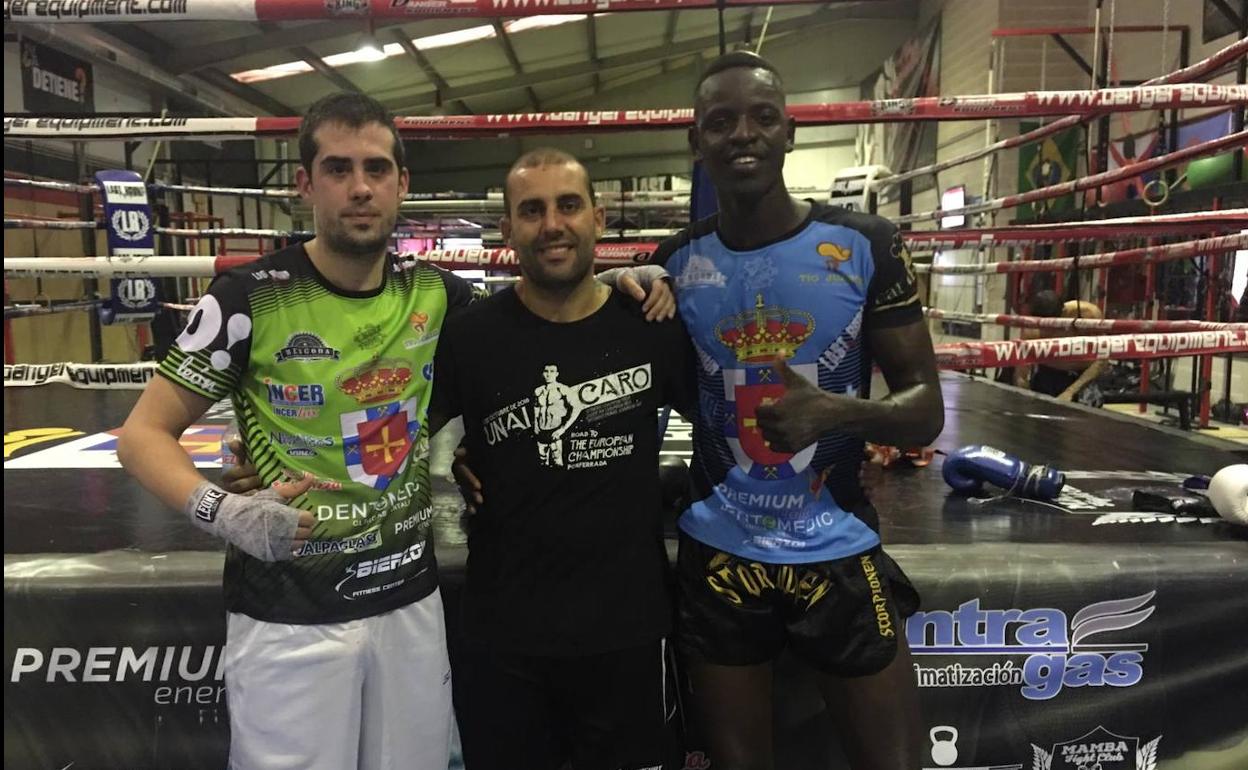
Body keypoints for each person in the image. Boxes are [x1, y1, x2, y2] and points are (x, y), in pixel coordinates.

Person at [118, 92, 472, 770]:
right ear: (304, 184)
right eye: (338, 169)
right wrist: (224, 510)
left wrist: (621, 294)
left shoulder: (438, 294)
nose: (360, 187)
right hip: (288, 610)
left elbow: (534, 330)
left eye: (376, 168)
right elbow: (143, 435)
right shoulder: (249, 297)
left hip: (408, 601)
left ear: (402, 183)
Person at [651, 51, 945, 770]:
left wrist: (837, 413)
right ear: (698, 143)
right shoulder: (677, 261)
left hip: (836, 545)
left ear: (790, 132)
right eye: (720, 122)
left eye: (761, 118)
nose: (741, 135)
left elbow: (926, 409)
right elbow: (662, 389)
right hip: (720, 554)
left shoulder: (864, 244)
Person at [431, 148, 695, 770]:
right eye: (532, 210)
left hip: (626, 629)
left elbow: (727, 418)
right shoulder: (471, 336)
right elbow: (393, 431)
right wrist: (284, 458)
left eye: (568, 205)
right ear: (507, 231)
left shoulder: (650, 323)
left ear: (599, 220)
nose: (552, 224)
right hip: (505, 634)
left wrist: (849, 428)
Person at [1013, 289, 1107, 406]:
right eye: (1042, 325)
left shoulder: (1088, 315)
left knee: (1084, 416)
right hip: (1047, 377)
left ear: (1062, 312)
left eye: (1052, 324)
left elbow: (1103, 358)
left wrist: (1070, 391)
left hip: (1083, 378)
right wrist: (1023, 392)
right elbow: (1022, 369)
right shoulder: (1031, 326)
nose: (1047, 329)